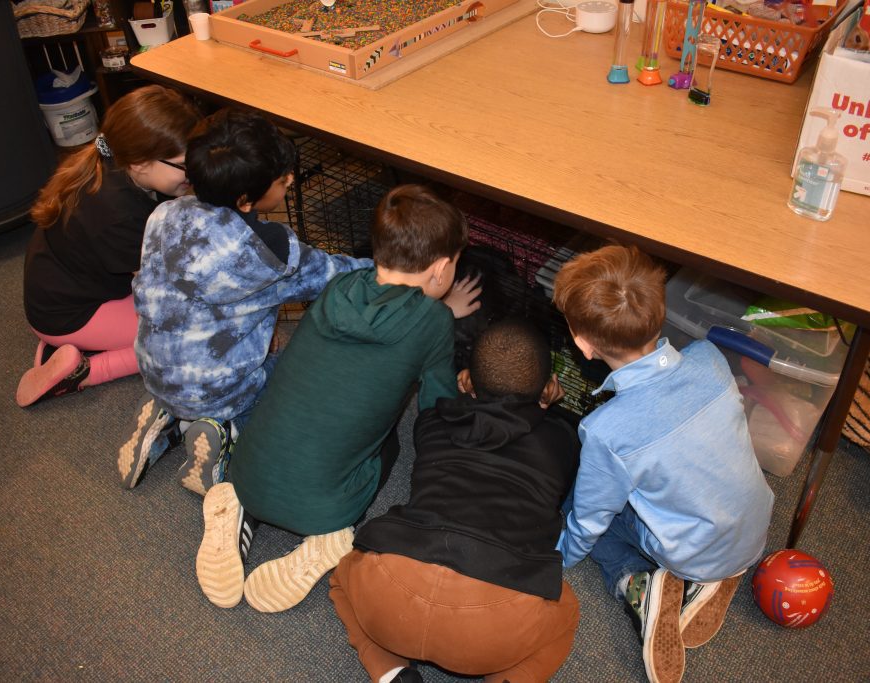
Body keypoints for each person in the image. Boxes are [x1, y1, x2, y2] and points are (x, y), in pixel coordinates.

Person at [194, 184, 481, 612]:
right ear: (441, 270)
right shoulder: (432, 322)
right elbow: (437, 407)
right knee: (390, 442)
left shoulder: (338, 288)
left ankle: (235, 505)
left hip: (247, 470)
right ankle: (327, 538)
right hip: (325, 508)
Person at [117, 110, 371, 501]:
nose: (288, 186)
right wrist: (387, 269)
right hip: (219, 388)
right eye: (283, 183)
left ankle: (166, 413)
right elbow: (334, 274)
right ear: (245, 200)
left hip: (155, 370)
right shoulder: (271, 253)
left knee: (199, 350)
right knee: (295, 379)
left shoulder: (164, 214)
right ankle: (224, 433)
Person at [551, 245, 774, 683]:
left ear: (583, 343)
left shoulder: (605, 430)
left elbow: (590, 521)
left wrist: (557, 562)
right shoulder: (711, 358)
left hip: (691, 551)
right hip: (755, 526)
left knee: (581, 508)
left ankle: (637, 583)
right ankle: (721, 567)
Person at [328, 318, 580, 683]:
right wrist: (548, 407)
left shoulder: (431, 422)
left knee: (342, 578)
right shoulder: (563, 441)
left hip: (395, 592)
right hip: (490, 626)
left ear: (466, 382)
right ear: (550, 388)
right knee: (566, 612)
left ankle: (391, 672)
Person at [17, 85, 202, 408]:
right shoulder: (116, 212)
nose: (192, 174)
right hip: (70, 315)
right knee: (194, 334)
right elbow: (164, 287)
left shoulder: (116, 166)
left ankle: (69, 348)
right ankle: (83, 371)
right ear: (143, 162)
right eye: (185, 165)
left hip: (67, 293)